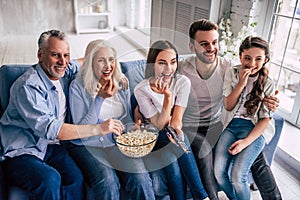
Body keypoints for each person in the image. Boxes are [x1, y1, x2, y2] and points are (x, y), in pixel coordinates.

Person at [0, 30, 124, 200]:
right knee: (50, 178)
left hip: (52, 148)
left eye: (66, 55)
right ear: (40, 55)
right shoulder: (28, 87)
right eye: (55, 55)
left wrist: (114, 69)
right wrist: (98, 128)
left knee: (75, 179)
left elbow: (85, 61)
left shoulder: (63, 71)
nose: (62, 61)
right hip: (23, 151)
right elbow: (53, 130)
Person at [178, 19, 282, 200]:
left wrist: (272, 100)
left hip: (219, 124)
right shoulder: (181, 68)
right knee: (207, 154)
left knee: (254, 153)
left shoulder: (228, 67)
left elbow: (256, 74)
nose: (211, 48)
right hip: (192, 127)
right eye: (204, 44)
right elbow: (158, 84)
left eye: (214, 42)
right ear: (192, 46)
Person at [66, 39, 155, 200]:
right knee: (107, 181)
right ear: (91, 63)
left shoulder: (121, 83)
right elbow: (81, 131)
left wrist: (132, 128)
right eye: (101, 60)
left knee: (140, 178)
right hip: (88, 145)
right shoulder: (77, 86)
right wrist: (99, 99)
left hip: (116, 143)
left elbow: (125, 118)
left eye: (111, 59)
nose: (108, 65)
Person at [134, 40, 208, 200]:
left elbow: (176, 120)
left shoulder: (182, 82)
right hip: (151, 137)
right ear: (152, 64)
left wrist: (176, 130)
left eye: (173, 62)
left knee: (170, 158)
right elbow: (159, 125)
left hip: (169, 136)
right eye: (162, 63)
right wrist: (168, 98)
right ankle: (201, 196)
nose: (169, 69)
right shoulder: (141, 89)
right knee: (178, 138)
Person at [213, 36, 275, 200]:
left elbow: (265, 120)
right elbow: (228, 106)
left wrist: (245, 143)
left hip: (254, 129)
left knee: (237, 176)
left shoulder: (268, 83)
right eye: (247, 58)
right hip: (231, 125)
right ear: (240, 56)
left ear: (265, 60)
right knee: (219, 172)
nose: (252, 63)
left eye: (258, 59)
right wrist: (241, 83)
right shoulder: (231, 73)